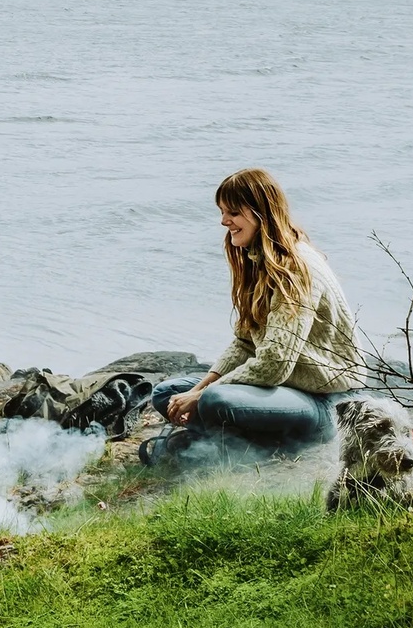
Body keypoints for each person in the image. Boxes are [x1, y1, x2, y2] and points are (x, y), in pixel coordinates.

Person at [141, 167, 364, 467]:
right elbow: (245, 344)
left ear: (262, 213)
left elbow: (274, 365)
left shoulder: (297, 268)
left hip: (326, 403)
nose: (224, 221)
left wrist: (203, 395)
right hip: (285, 392)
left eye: (233, 212)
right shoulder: (258, 260)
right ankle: (238, 440)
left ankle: (241, 445)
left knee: (214, 401)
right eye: (222, 212)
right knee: (167, 394)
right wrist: (195, 390)